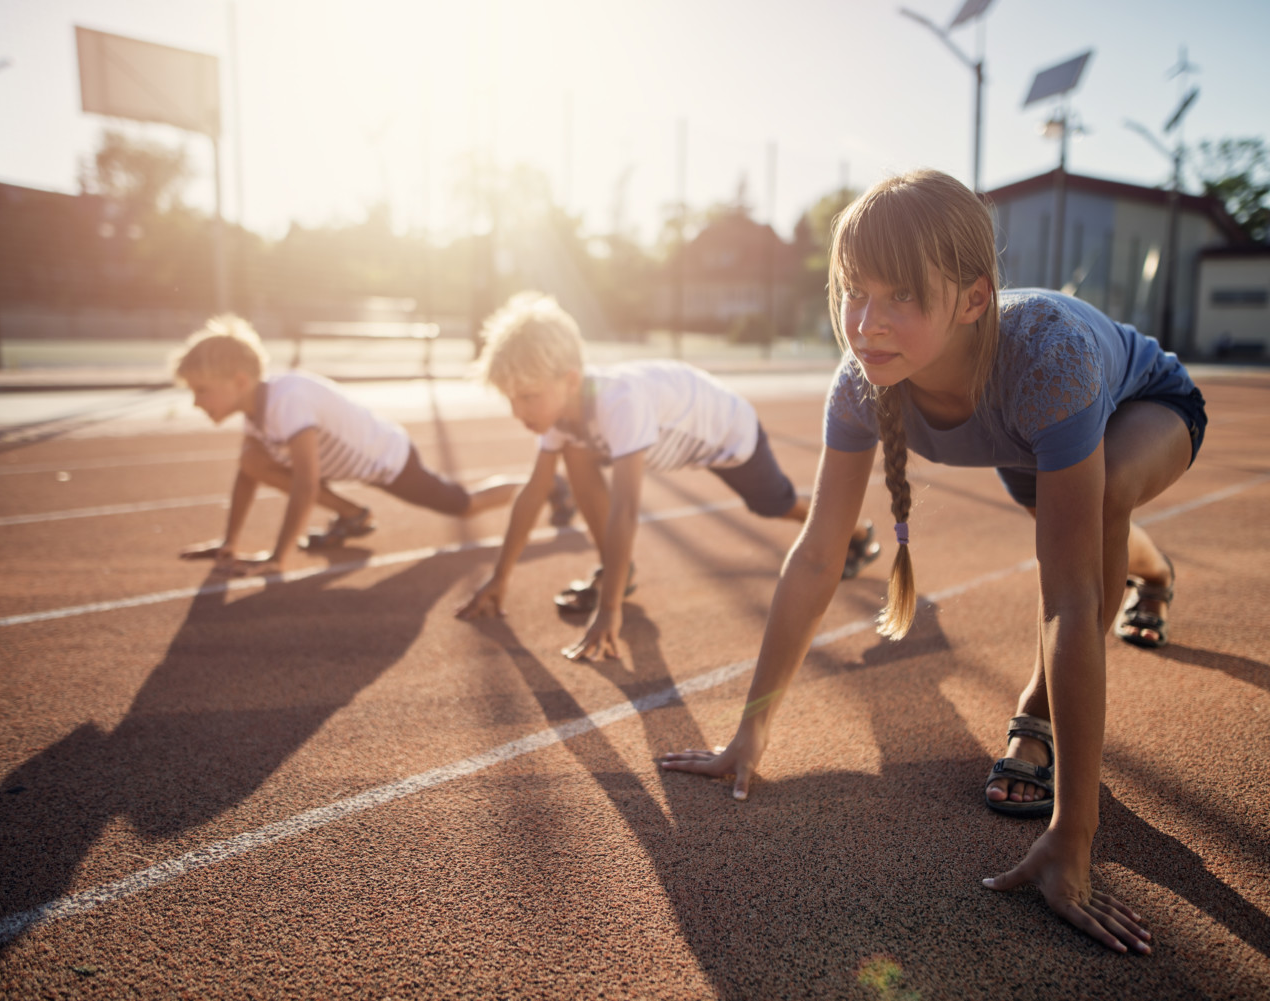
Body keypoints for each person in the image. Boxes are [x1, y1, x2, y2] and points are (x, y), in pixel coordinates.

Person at [660, 170, 1208, 955]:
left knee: (1105, 503)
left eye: (902, 298)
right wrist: (748, 734)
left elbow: (1072, 604)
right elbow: (818, 555)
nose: (867, 324)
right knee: (1089, 525)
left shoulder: (1046, 359)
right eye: (855, 292)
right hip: (1034, 440)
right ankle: (1154, 573)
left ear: (975, 297)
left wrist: (1073, 835)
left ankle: (1037, 712)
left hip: (1146, 406)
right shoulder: (858, 386)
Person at [454, 292, 882, 660]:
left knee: (774, 505)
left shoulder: (618, 404)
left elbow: (625, 510)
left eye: (527, 397)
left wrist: (608, 610)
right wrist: (500, 577)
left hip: (728, 434)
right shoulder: (560, 415)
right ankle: (616, 571)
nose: (518, 412)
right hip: (679, 429)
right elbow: (534, 492)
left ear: (569, 381)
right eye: (511, 399)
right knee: (575, 454)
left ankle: (855, 534)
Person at [173, 315, 570, 576]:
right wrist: (230, 543)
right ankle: (353, 516)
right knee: (251, 460)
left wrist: (279, 557)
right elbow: (248, 475)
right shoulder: (256, 411)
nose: (196, 402)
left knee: (462, 504)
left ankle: (551, 486)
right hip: (348, 464)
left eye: (202, 390)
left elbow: (306, 484)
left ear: (240, 381)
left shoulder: (286, 401)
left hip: (388, 459)